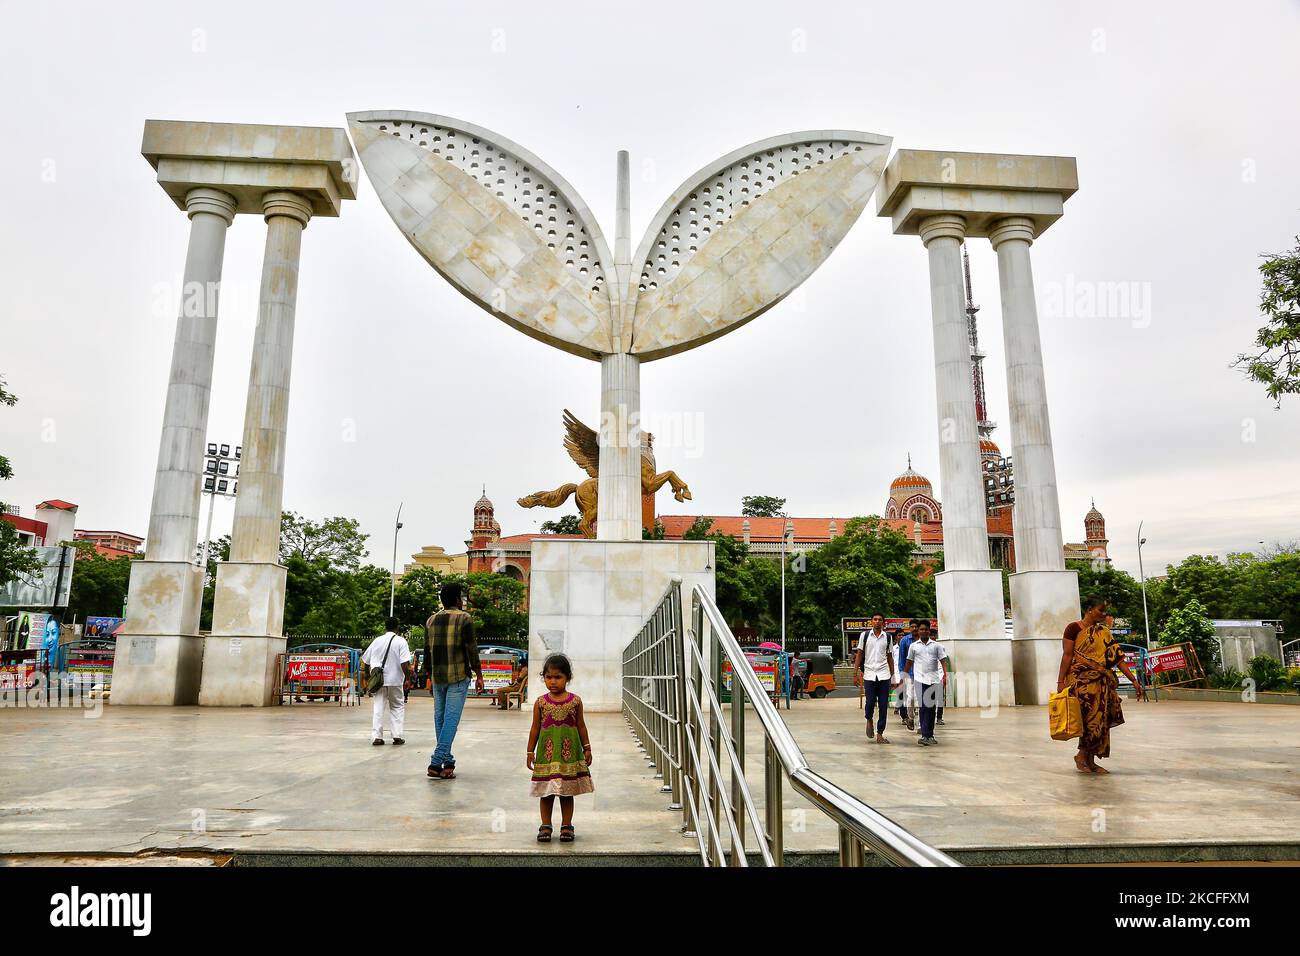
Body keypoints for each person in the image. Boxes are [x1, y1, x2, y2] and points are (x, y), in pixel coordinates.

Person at [1056, 596, 1143, 774]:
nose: (1103, 614)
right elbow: (1067, 655)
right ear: (1089, 609)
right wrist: (1060, 681)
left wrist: (1134, 680)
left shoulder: (1103, 632)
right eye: (1100, 610)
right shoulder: (1073, 628)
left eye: (1104, 611)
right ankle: (1082, 756)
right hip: (1081, 681)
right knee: (1089, 720)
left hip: (1102, 681)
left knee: (1101, 721)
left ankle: (1090, 760)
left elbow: (1118, 659)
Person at [527, 653, 594, 843]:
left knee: (566, 792)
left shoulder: (575, 701)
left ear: (567, 678)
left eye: (558, 677)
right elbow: (535, 728)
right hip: (546, 756)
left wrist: (587, 748)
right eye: (549, 677)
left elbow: (581, 726)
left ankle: (567, 825)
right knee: (546, 792)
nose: (553, 681)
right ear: (544, 678)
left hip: (568, 756)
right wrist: (530, 751)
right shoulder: (540, 702)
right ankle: (545, 825)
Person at [424, 582, 485, 779]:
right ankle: (435, 762)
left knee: (440, 720)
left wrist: (428, 676)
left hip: (438, 676)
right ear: (457, 599)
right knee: (450, 720)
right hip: (458, 676)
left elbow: (427, 652)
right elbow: (471, 649)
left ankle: (447, 762)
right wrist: (479, 674)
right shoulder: (465, 618)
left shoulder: (431, 620)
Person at [361, 617, 413, 746]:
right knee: (397, 707)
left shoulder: (377, 641)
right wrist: (408, 677)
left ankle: (377, 737)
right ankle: (397, 736)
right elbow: (404, 663)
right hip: (395, 680)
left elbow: (365, 660)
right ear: (397, 627)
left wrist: (369, 676)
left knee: (378, 707)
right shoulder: (401, 641)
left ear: (385, 626)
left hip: (379, 681)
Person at [853, 613, 896, 743]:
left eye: (880, 620)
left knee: (883, 705)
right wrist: (855, 674)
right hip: (869, 674)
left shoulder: (888, 637)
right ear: (871, 622)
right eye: (875, 619)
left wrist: (893, 677)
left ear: (883, 623)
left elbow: (890, 658)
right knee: (870, 702)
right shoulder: (865, 636)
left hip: (884, 675)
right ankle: (869, 719)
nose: (877, 622)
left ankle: (880, 733)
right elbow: (859, 654)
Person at [905, 620, 946, 746]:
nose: (923, 631)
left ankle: (930, 735)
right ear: (918, 631)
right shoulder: (914, 646)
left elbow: (943, 660)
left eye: (926, 629)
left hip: (933, 680)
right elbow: (909, 662)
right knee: (923, 707)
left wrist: (945, 675)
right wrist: (904, 676)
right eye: (921, 629)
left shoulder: (936, 646)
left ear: (929, 630)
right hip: (919, 680)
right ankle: (924, 734)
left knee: (931, 708)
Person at [895, 621, 918, 731]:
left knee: (923, 700)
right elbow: (902, 659)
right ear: (909, 628)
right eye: (912, 627)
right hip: (909, 674)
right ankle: (910, 717)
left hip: (922, 674)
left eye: (916, 627)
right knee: (911, 698)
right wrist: (902, 674)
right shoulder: (905, 641)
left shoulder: (922, 640)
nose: (914, 628)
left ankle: (921, 725)